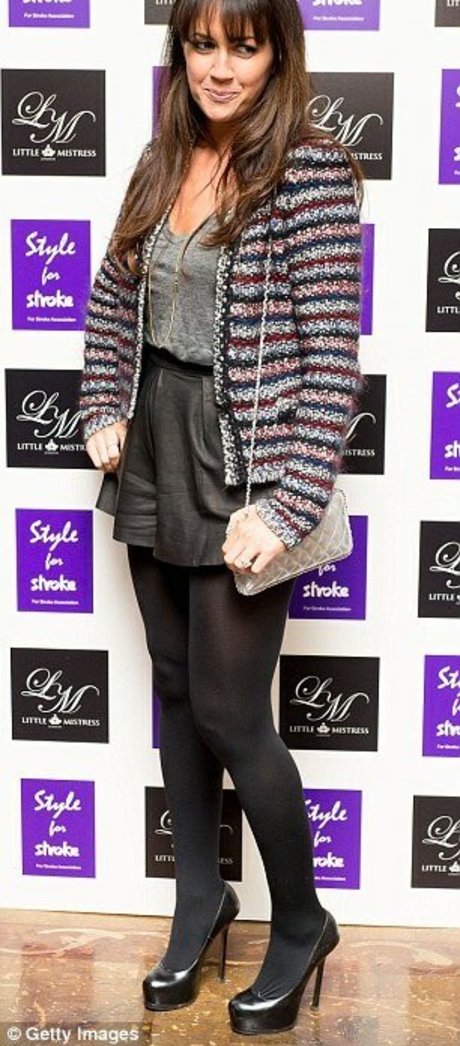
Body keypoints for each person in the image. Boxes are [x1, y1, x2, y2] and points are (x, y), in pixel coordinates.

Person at [78, 0, 365, 1035]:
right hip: (156, 443)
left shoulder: (310, 170)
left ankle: (302, 920)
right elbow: (113, 298)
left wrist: (287, 505)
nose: (220, 67)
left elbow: (332, 364)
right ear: (181, 51)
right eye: (202, 44)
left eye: (243, 45)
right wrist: (103, 402)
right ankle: (200, 898)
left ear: (278, 52)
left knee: (232, 712)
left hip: (245, 461)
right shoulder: (162, 158)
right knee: (173, 686)